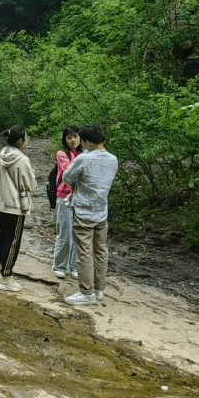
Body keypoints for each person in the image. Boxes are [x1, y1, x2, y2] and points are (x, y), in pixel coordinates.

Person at [61, 124, 119, 306]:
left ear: (87, 142)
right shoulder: (113, 159)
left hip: (84, 210)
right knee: (101, 250)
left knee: (84, 252)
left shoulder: (83, 159)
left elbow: (66, 178)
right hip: (102, 211)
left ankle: (86, 292)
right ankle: (99, 289)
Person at [0, 126, 36, 292]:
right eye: (26, 137)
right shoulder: (21, 159)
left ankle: (0, 267)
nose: (28, 140)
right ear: (20, 141)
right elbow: (29, 184)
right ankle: (6, 278)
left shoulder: (1, 154)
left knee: (3, 236)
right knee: (13, 241)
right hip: (15, 206)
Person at [50, 127, 82, 279]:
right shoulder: (62, 153)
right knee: (65, 233)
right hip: (64, 197)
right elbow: (68, 171)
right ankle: (59, 265)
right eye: (69, 137)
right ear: (65, 139)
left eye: (75, 137)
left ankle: (74, 266)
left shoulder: (84, 153)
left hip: (82, 198)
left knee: (78, 234)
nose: (72, 140)